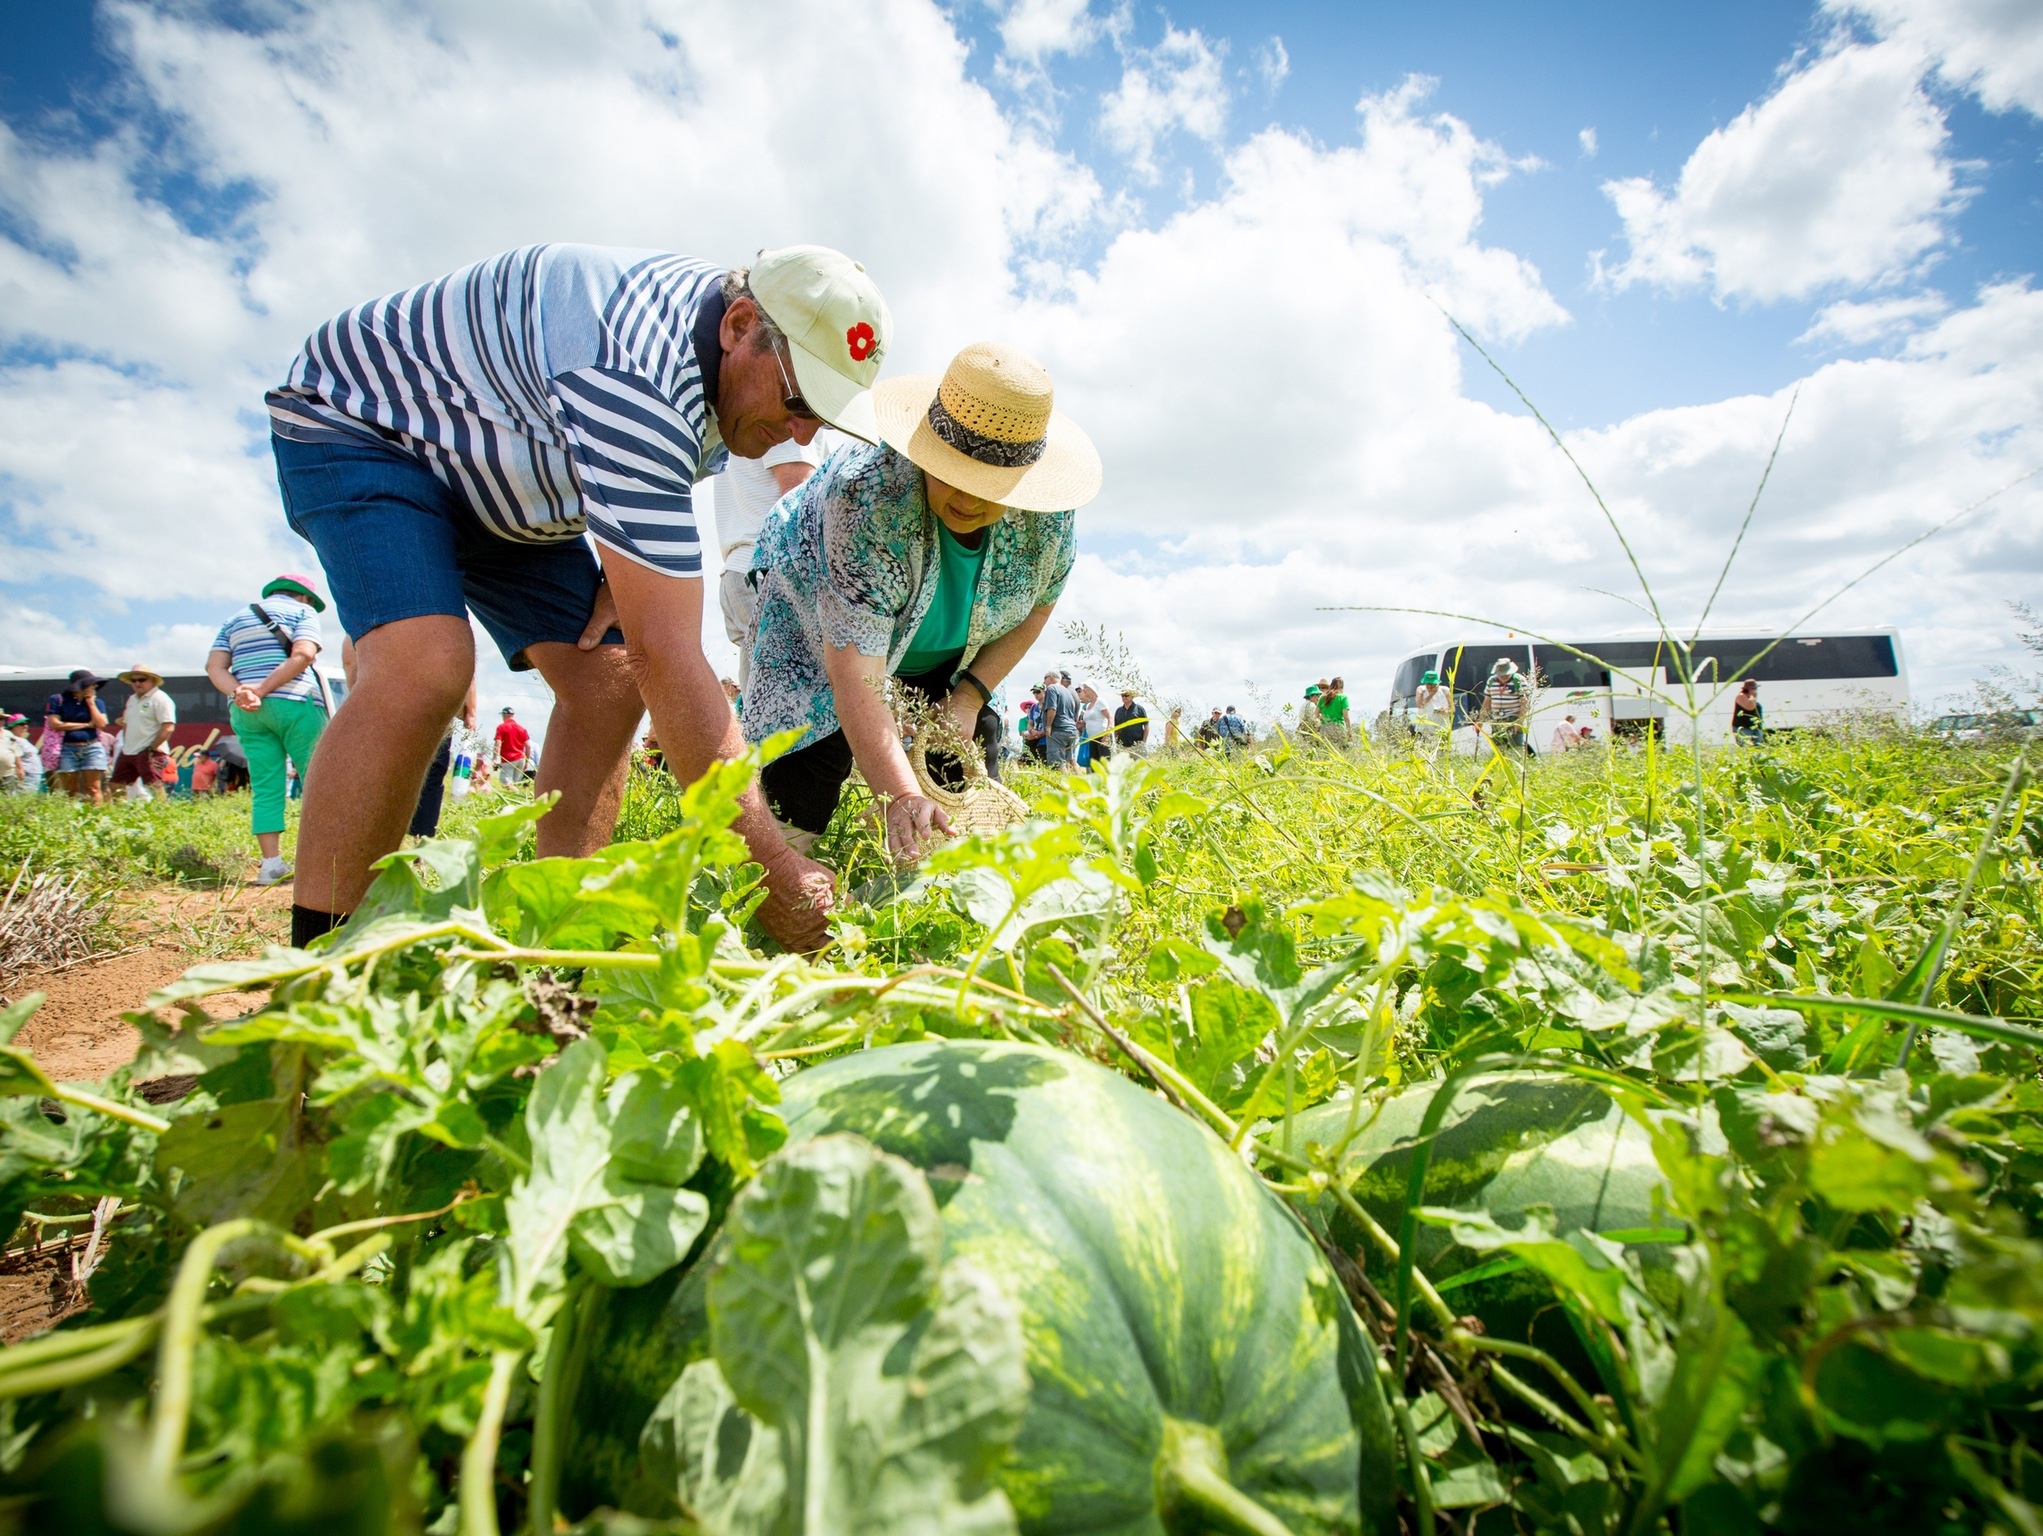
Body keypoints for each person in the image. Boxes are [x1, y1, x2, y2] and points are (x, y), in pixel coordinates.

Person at [265, 243, 888, 952]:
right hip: (373, 427)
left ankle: (561, 936)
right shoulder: (636, 377)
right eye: (800, 400)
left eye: (823, 414)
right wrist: (770, 869)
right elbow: (668, 654)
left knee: (607, 679)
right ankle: (323, 965)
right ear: (739, 324)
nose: (802, 433)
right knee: (425, 666)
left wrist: (630, 574)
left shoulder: (718, 368)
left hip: (507, 472)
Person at [745, 342, 1099, 856]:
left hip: (948, 656)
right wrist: (902, 795)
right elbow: (854, 676)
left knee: (960, 773)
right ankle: (773, 878)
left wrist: (969, 697)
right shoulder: (866, 495)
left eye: (990, 485)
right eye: (952, 472)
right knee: (807, 772)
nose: (969, 499)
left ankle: (944, 882)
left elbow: (1039, 606)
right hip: (821, 629)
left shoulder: (1050, 519)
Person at [209, 575, 329, 885]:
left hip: (246, 712)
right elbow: (303, 654)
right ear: (304, 597)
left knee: (266, 786)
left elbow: (214, 667)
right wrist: (262, 689)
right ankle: (323, 862)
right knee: (319, 781)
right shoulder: (303, 612)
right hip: (296, 703)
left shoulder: (234, 619)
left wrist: (241, 692)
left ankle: (270, 865)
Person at [715, 437, 819, 692]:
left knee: (760, 699)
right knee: (793, 697)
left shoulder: (741, 424)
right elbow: (798, 499)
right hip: (767, 573)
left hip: (740, 571)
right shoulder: (793, 423)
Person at [110, 665, 178, 802]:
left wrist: (152, 748)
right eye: (133, 680)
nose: (137, 683)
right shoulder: (132, 699)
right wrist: (126, 744)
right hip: (129, 750)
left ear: (152, 680)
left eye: (141, 680)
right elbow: (126, 724)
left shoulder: (160, 698)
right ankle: (123, 812)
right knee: (116, 785)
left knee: (154, 786)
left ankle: (163, 812)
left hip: (148, 750)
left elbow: (168, 727)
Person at [44, 670, 111, 804]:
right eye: (91, 684)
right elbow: (55, 723)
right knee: (70, 790)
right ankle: (72, 814)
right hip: (67, 748)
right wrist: (87, 725)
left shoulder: (98, 702)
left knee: (93, 788)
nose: (94, 687)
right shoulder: (59, 700)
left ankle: (97, 814)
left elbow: (102, 723)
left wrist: (90, 703)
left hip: (92, 747)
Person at [1480, 656, 1534, 756]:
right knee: (1499, 750)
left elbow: (1524, 703)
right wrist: (1480, 721)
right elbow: (1486, 702)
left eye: (1505, 674)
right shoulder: (1491, 681)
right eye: (1501, 674)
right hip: (1497, 720)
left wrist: (1519, 722)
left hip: (1513, 718)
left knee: (1516, 749)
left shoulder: (1519, 680)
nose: (1503, 677)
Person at [1037, 672, 1082, 773]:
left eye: (1045, 678)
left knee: (1058, 764)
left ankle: (1063, 783)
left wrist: (1048, 726)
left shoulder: (1051, 688)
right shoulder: (1067, 691)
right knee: (1071, 761)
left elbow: (1052, 708)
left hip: (1058, 730)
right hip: (1071, 730)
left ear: (1051, 677)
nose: (1044, 682)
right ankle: (1081, 782)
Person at [1, 714, 40, 795]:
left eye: (27, 724)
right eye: (22, 724)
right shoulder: (14, 739)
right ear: (13, 726)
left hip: (30, 775)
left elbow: (17, 752)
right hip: (24, 775)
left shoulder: (13, 736)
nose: (25, 726)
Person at [1079, 685, 1115, 771]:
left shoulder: (1100, 702)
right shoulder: (1088, 705)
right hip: (1092, 738)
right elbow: (1091, 720)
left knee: (1105, 765)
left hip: (1102, 737)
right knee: (1095, 766)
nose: (1083, 690)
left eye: (1085, 688)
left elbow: (1110, 717)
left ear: (1092, 689)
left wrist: (1107, 734)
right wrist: (1082, 724)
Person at [493, 707, 531, 787]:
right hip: (521, 759)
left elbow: (498, 743)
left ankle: (516, 793)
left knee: (506, 784)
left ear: (504, 715)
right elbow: (528, 746)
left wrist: (495, 758)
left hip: (508, 759)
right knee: (516, 784)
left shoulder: (501, 727)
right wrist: (527, 762)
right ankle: (517, 793)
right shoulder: (522, 728)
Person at [1412, 669, 1453, 739]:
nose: (1429, 687)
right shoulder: (1421, 689)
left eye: (1432, 684)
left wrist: (1445, 710)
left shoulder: (1445, 690)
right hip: (1425, 726)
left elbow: (1452, 709)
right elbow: (1420, 705)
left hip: (1441, 726)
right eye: (1427, 684)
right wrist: (1431, 694)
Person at [1114, 689, 1149, 755]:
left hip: (1137, 745)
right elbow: (1116, 728)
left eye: (1126, 695)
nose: (1124, 697)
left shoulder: (1140, 709)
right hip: (1122, 746)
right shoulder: (1118, 711)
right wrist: (1116, 742)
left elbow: (1146, 727)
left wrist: (1143, 742)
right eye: (1122, 695)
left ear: (1132, 696)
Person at [1319, 677, 1352, 746]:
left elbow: (1315, 714)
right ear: (1342, 687)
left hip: (1324, 728)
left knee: (1325, 750)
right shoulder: (1343, 697)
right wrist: (1349, 733)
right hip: (1338, 727)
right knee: (1340, 750)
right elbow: (1346, 716)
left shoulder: (1322, 697)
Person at [1732, 680, 1764, 746]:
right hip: (1744, 728)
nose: (1756, 691)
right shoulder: (1741, 696)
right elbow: (1750, 707)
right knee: (1745, 747)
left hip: (1756, 728)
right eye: (1754, 689)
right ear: (1749, 689)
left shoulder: (1751, 698)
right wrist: (1753, 696)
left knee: (1758, 748)